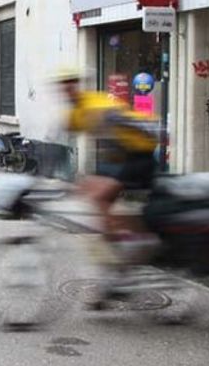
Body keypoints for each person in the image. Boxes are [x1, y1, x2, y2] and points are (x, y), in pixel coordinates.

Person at [53, 69, 159, 241]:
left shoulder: (96, 104)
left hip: (139, 156)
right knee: (89, 190)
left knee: (101, 198)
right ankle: (116, 237)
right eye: (64, 86)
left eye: (71, 84)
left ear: (77, 85)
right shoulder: (76, 112)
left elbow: (127, 120)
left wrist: (147, 131)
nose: (67, 89)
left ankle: (127, 237)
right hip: (121, 159)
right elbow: (64, 130)